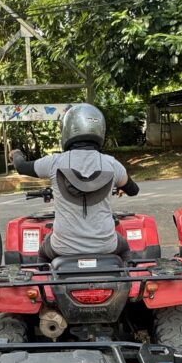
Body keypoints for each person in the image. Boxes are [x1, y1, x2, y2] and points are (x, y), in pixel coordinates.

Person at [10, 103, 140, 259]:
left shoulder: (54, 163)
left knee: (43, 251)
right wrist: (119, 185)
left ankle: (46, 282)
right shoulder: (112, 164)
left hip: (62, 247)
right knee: (125, 248)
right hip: (105, 246)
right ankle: (125, 281)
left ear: (67, 130)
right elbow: (133, 190)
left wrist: (17, 153)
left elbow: (22, 167)